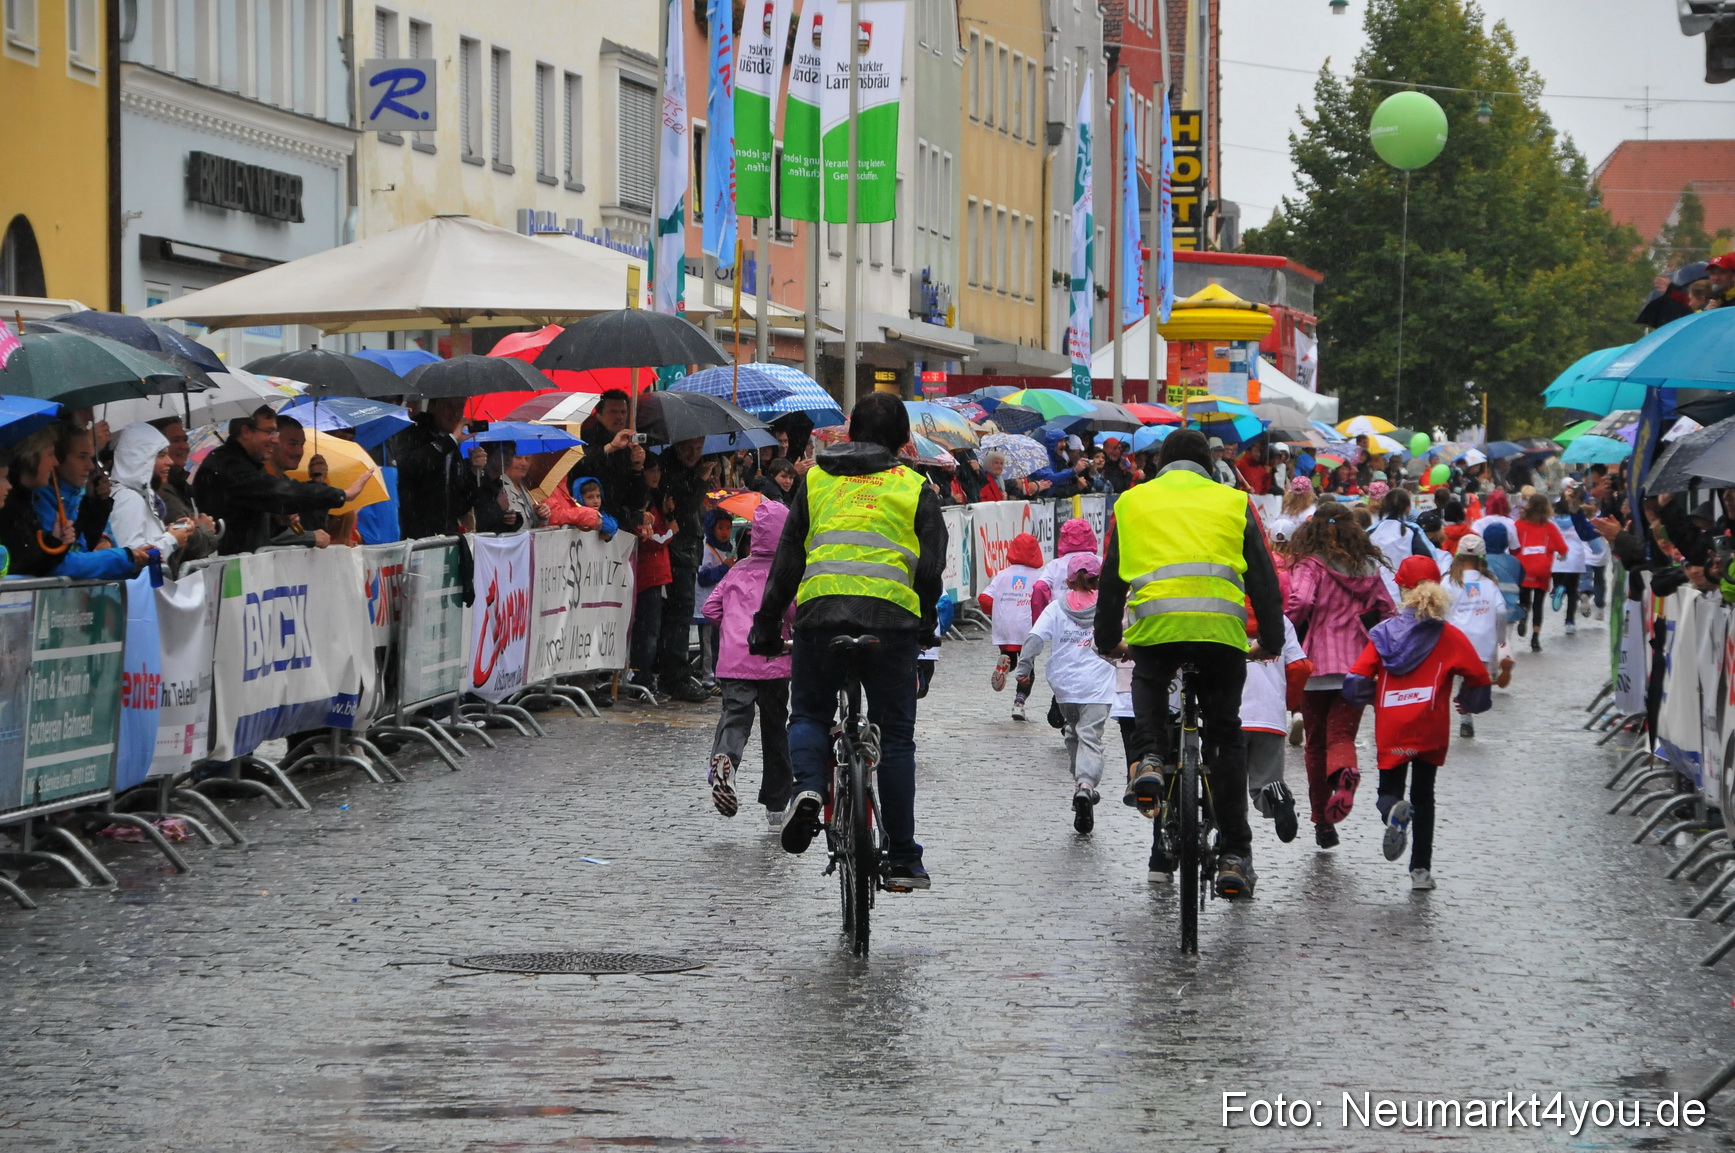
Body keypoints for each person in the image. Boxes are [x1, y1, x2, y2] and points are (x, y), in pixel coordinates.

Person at [751, 391, 946, 891]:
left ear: (850, 431)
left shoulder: (814, 480)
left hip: (819, 617)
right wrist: (924, 623)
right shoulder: (915, 486)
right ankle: (903, 856)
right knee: (896, 737)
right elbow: (930, 568)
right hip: (891, 623)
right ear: (905, 440)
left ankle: (811, 790)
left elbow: (788, 559)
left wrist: (767, 621)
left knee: (810, 715)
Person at [1093, 428, 1284, 899]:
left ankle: (1151, 757)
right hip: (1221, 635)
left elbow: (1112, 581)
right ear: (1211, 466)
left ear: (1158, 466)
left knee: (1150, 679)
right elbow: (1264, 580)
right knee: (1225, 735)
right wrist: (1271, 643)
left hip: (1156, 631)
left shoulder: (1131, 503)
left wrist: (1107, 640)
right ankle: (1235, 855)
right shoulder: (1233, 501)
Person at [1344, 555, 1493, 891]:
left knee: (1388, 791)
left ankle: (1393, 810)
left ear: (1402, 588)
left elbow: (1355, 679)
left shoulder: (1382, 635)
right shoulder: (1450, 636)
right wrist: (1467, 701)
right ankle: (1421, 871)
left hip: (1392, 725)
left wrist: (1370, 696)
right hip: (1431, 725)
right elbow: (1480, 677)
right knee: (1425, 795)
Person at [1283, 500, 1395, 848]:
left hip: (1317, 664)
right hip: (1358, 666)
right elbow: (1387, 610)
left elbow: (1299, 603)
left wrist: (1285, 629)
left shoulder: (1311, 565)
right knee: (1341, 735)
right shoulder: (1368, 566)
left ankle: (1322, 823)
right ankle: (1345, 771)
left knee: (1315, 744)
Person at [702, 499, 794, 825]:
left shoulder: (736, 569)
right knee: (775, 730)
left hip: (735, 658)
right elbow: (794, 611)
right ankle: (776, 802)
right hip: (773, 657)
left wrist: (730, 629)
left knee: (735, 717)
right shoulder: (786, 573)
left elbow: (710, 609)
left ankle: (725, 759)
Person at [1014, 553, 1117, 834]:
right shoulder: (1109, 607)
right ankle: (1085, 784)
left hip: (1065, 687)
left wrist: (1024, 667)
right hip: (1098, 686)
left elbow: (1035, 638)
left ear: (1069, 580)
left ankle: (1079, 786)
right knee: (1090, 738)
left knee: (1074, 733)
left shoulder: (1056, 608)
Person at [194, 408, 363, 555]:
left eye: (275, 432)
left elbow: (255, 519)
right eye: (269, 432)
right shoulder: (229, 465)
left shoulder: (246, 465)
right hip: (231, 574)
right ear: (246, 431)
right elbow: (276, 493)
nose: (275, 439)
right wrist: (341, 494)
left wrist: (278, 522)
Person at [0, 425, 145, 580]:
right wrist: (125, 558)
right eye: (51, 454)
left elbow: (73, 549)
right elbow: (41, 566)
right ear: (31, 456)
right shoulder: (17, 503)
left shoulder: (27, 499)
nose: (55, 462)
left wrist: (94, 503)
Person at [1239, 603, 1310, 843]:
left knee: (1225, 787)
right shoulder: (1277, 620)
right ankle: (1276, 795)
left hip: (1226, 715)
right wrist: (1285, 703)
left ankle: (1230, 847)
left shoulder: (1218, 613)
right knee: (1264, 784)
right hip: (1269, 715)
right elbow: (1299, 667)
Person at [655, 438, 712, 702]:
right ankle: (674, 675)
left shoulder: (687, 469)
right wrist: (700, 481)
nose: (693, 453)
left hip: (688, 550)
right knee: (678, 615)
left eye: (698, 448)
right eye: (688, 447)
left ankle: (677, 670)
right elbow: (685, 508)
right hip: (677, 551)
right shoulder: (670, 470)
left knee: (680, 614)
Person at [1441, 534, 1513, 738]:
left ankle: (1445, 717)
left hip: (1455, 640)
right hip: (1482, 641)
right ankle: (1466, 716)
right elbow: (1500, 611)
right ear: (1483, 556)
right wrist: (1500, 640)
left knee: (1449, 678)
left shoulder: (1447, 582)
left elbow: (1441, 610)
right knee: (1470, 679)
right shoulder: (1490, 583)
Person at [108, 422, 197, 562]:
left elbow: (145, 542)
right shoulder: (128, 499)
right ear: (140, 459)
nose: (170, 462)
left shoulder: (141, 495)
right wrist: (172, 539)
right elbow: (133, 557)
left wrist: (172, 531)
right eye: (161, 456)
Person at [396, 396, 479, 540]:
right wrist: (451, 440)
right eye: (450, 407)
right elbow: (411, 466)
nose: (456, 414)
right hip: (416, 536)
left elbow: (461, 506)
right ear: (433, 407)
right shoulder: (413, 431)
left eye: (460, 407)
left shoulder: (454, 445)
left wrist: (474, 472)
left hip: (447, 536)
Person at [981, 532, 1044, 721]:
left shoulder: (1002, 575)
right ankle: (1019, 703)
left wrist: (1000, 609)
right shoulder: (1039, 577)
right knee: (1027, 667)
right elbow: (1045, 601)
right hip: (1028, 628)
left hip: (1005, 626)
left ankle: (1005, 666)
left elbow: (984, 599)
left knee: (1011, 659)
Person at [628, 457, 674, 693]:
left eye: (658, 471)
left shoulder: (653, 501)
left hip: (657, 575)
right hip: (647, 575)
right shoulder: (642, 502)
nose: (655, 476)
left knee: (652, 631)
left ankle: (644, 674)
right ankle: (640, 677)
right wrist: (670, 531)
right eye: (651, 471)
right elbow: (649, 539)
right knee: (647, 632)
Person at [576, 388, 648, 529]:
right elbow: (580, 463)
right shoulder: (585, 437)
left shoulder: (630, 444)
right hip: (592, 520)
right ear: (599, 415)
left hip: (620, 523)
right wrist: (610, 447)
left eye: (623, 412)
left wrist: (638, 468)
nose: (619, 417)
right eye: (613, 412)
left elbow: (637, 501)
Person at [1513, 492, 1568, 651]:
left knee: (1525, 600)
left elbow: (1512, 544)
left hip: (1524, 567)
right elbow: (1563, 548)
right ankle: (1535, 639)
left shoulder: (1518, 524)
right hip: (1542, 568)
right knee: (1538, 604)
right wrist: (1561, 556)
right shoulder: (1550, 527)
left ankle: (1523, 614)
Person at [694, 510, 737, 686]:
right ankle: (708, 674)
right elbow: (703, 578)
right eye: (720, 528)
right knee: (707, 641)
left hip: (720, 605)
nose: (725, 532)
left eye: (728, 528)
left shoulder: (726, 550)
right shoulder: (707, 550)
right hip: (706, 603)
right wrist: (724, 569)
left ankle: (719, 670)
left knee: (718, 640)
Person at [1549, 489, 1598, 636]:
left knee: (1559, 584)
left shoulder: (1552, 518)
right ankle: (1569, 622)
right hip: (1575, 557)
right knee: (1572, 591)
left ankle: (1559, 588)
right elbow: (1590, 537)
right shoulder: (1579, 517)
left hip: (1557, 557)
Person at [476, 451, 548, 534]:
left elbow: (528, 526)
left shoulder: (525, 489)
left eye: (527, 458)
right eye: (518, 457)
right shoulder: (497, 487)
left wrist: (539, 516)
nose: (524, 463)